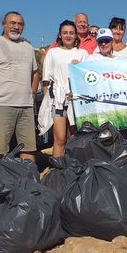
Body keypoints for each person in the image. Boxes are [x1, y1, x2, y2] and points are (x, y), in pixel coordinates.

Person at [0, 11, 39, 163]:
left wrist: (32, 94)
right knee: (0, 151)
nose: (16, 27)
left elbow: (35, 73)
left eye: (20, 24)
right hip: (1, 106)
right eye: (12, 23)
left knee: (29, 150)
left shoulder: (28, 47)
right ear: (4, 25)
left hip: (26, 107)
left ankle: (29, 184)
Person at [40, 20, 89, 159]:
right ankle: (58, 171)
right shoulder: (52, 53)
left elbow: (88, 77)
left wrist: (79, 67)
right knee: (60, 138)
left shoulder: (83, 53)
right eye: (65, 33)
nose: (68, 36)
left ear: (76, 35)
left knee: (75, 138)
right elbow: (46, 80)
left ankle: (73, 169)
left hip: (76, 100)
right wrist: (48, 103)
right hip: (58, 100)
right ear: (60, 35)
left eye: (71, 33)